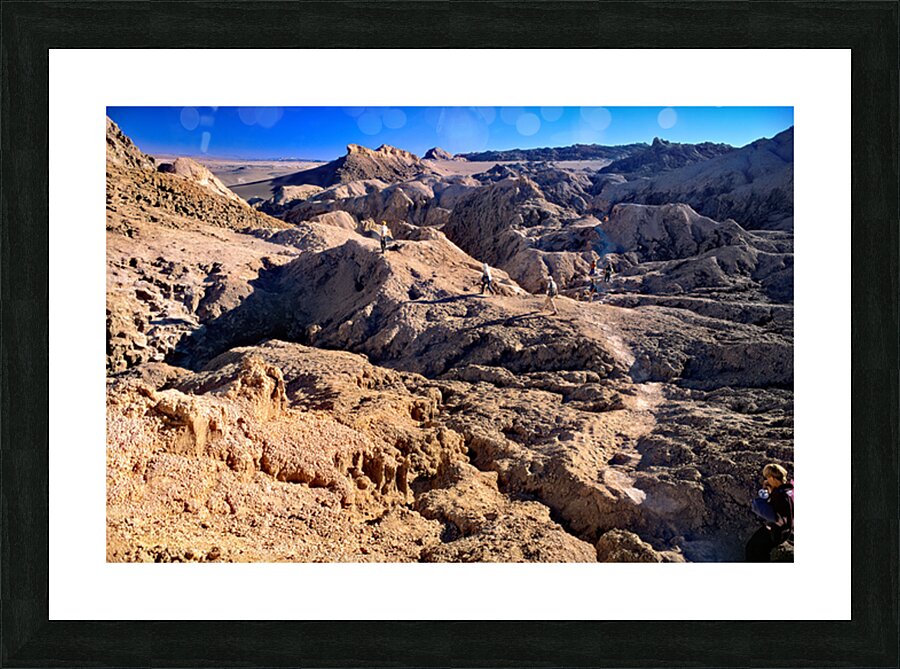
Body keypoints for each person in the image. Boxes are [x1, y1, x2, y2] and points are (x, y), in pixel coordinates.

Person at [745, 463, 794, 562]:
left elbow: (764, 510)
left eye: (767, 477)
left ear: (771, 478)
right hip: (788, 529)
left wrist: (764, 492)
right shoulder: (788, 489)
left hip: (777, 532)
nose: (766, 480)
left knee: (752, 549)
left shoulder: (779, 496)